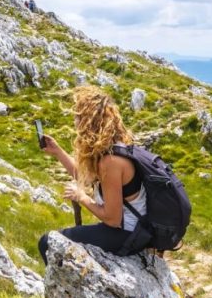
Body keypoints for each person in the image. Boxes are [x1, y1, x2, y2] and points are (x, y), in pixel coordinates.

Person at [37, 86, 152, 263]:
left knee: (47, 242)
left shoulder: (110, 162)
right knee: (53, 241)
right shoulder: (112, 150)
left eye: (78, 117)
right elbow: (85, 176)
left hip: (127, 234)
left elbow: (113, 219)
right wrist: (58, 152)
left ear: (89, 122)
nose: (75, 122)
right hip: (130, 230)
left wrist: (81, 197)